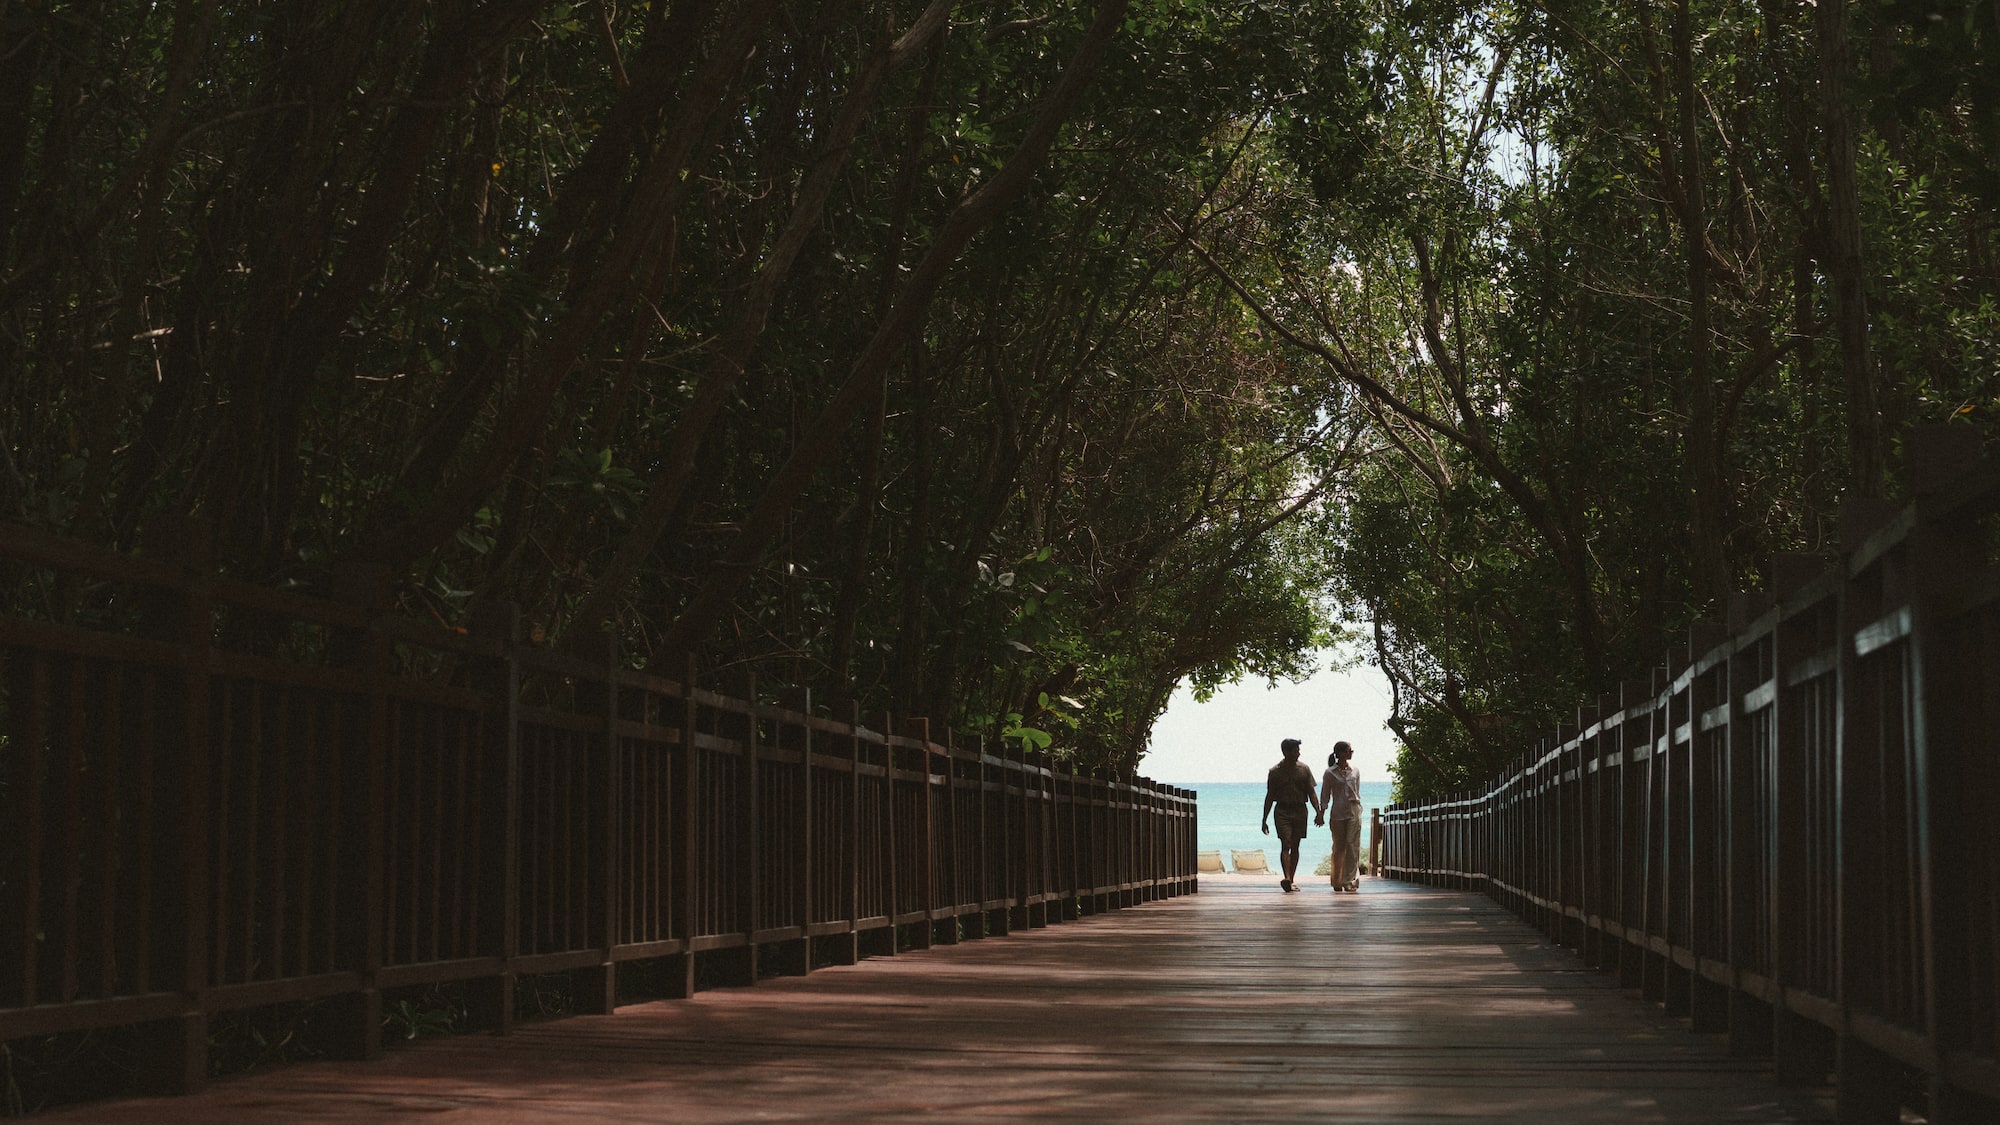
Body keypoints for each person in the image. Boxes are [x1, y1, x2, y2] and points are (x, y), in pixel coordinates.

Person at [1260, 738, 1320, 892]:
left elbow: (1311, 793)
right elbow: (1270, 795)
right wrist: (1264, 819)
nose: (1299, 753)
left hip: (1300, 809)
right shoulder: (1275, 772)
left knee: (1296, 845)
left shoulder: (1304, 769)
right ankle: (1286, 877)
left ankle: (1291, 879)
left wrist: (1318, 812)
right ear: (1286, 752)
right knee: (1286, 843)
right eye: (1296, 750)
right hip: (1282, 810)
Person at [1316, 741, 1363, 892]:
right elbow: (1325, 794)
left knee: (1352, 844)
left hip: (1353, 809)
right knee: (1339, 846)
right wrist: (1321, 813)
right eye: (1349, 750)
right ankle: (1337, 880)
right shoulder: (1330, 772)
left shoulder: (1354, 771)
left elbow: (1357, 790)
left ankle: (1349, 880)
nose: (1351, 753)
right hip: (1338, 812)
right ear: (1341, 753)